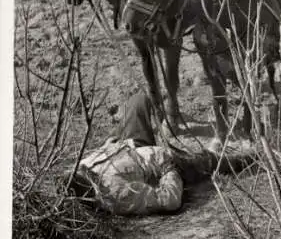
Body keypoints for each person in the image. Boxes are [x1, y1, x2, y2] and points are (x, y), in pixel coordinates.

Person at [69, 91, 254, 216]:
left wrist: (109, 144)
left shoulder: (82, 168)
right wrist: (169, 170)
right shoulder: (117, 194)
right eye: (80, 178)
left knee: (138, 100)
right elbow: (169, 200)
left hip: (129, 146)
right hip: (162, 162)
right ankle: (249, 158)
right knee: (212, 162)